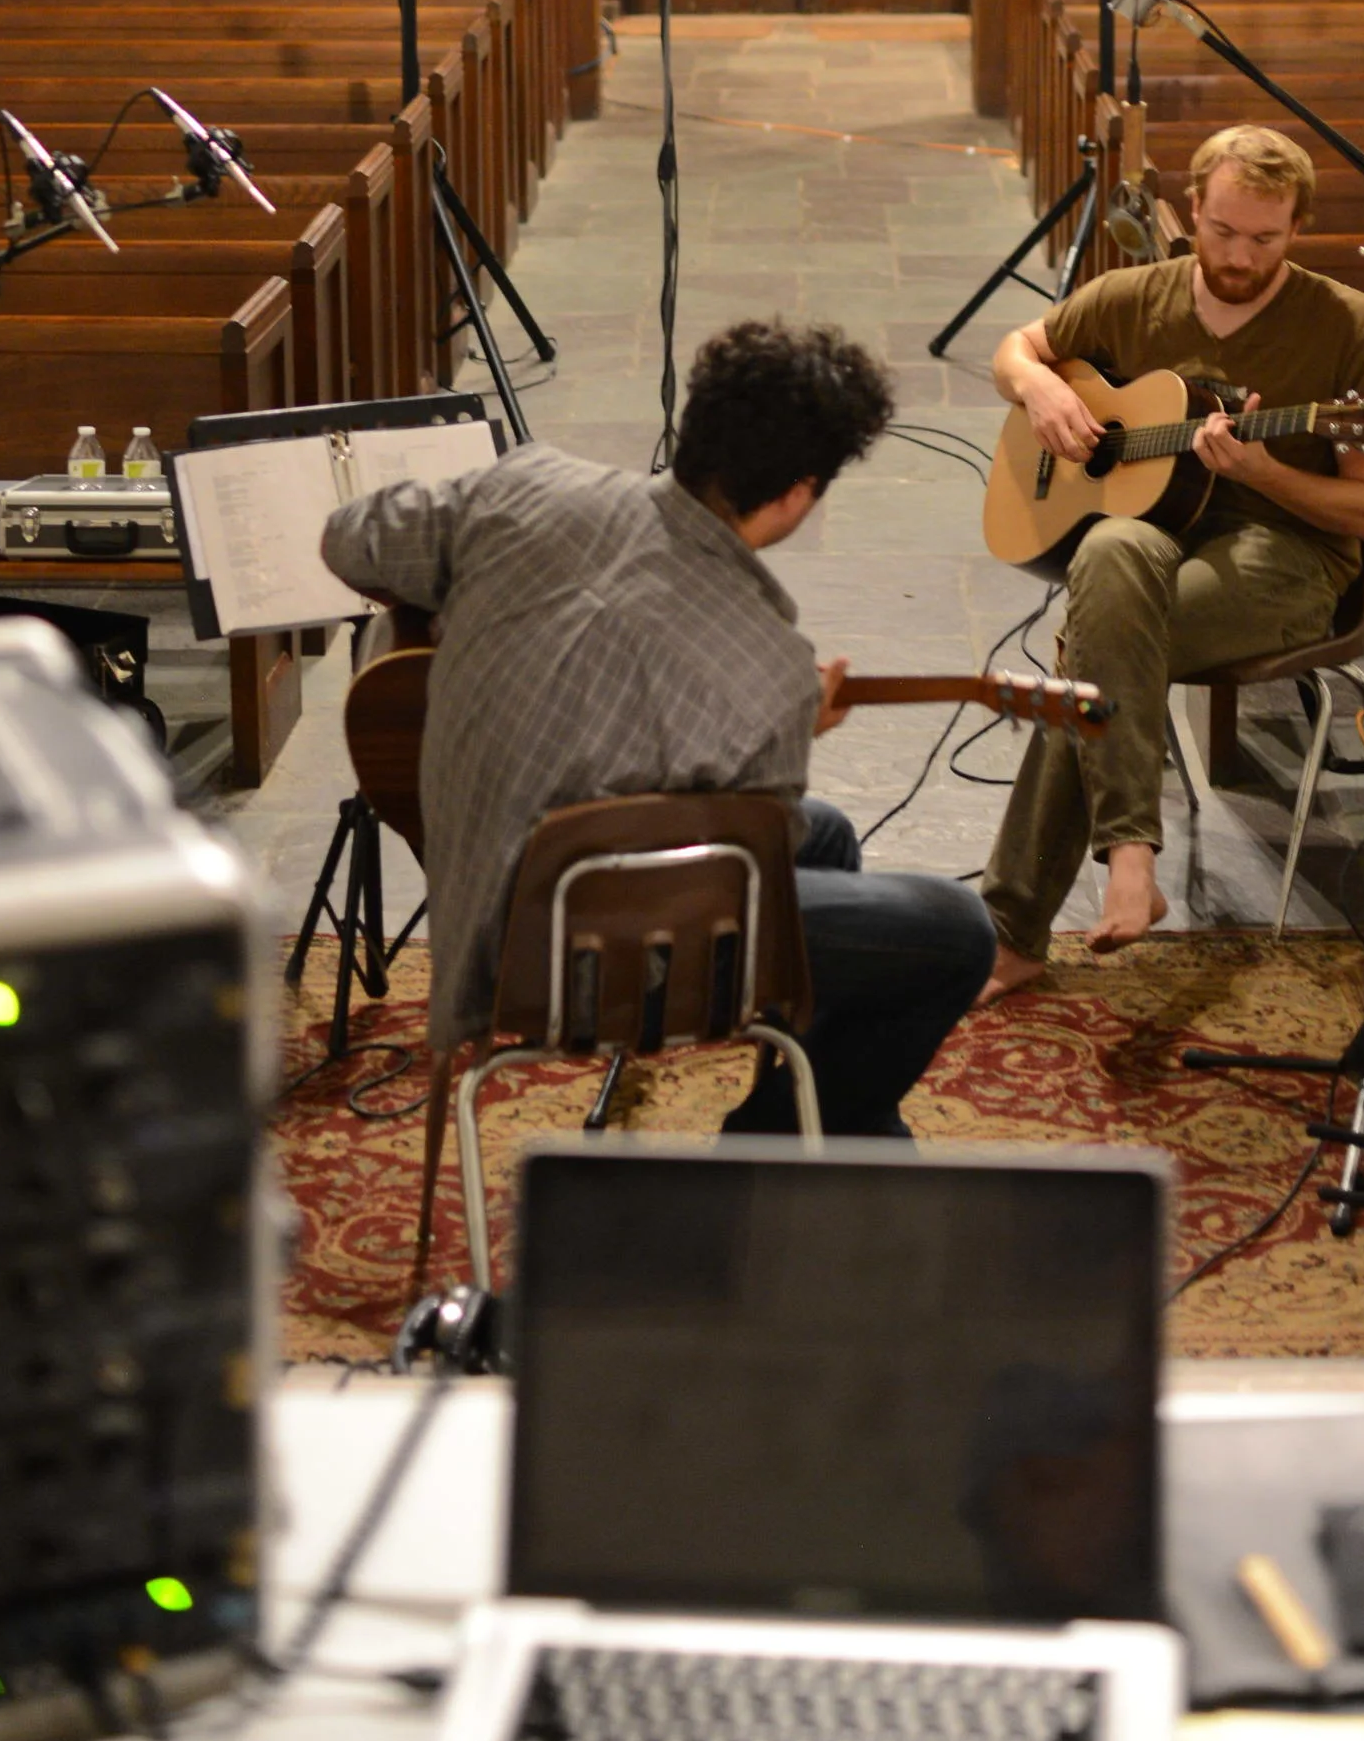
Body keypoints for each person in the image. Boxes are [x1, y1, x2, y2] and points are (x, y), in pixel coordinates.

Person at [320, 317, 995, 1134]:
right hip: (589, 974)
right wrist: (795, 723)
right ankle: (778, 1140)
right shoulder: (769, 661)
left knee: (830, 837)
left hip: (473, 906)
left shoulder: (525, 484)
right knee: (959, 930)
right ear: (797, 492)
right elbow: (747, 866)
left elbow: (347, 538)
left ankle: (824, 1119)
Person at [979, 124, 1364, 998]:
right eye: (1224, 230)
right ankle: (1130, 855)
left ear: (1300, 225)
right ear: (1193, 207)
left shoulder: (1346, 324)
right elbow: (1015, 349)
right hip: (1155, 530)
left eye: (1265, 238)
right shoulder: (1132, 297)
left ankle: (1017, 928)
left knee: (1096, 645)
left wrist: (1264, 471)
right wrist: (1041, 387)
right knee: (1110, 549)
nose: (1240, 256)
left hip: (1285, 554)